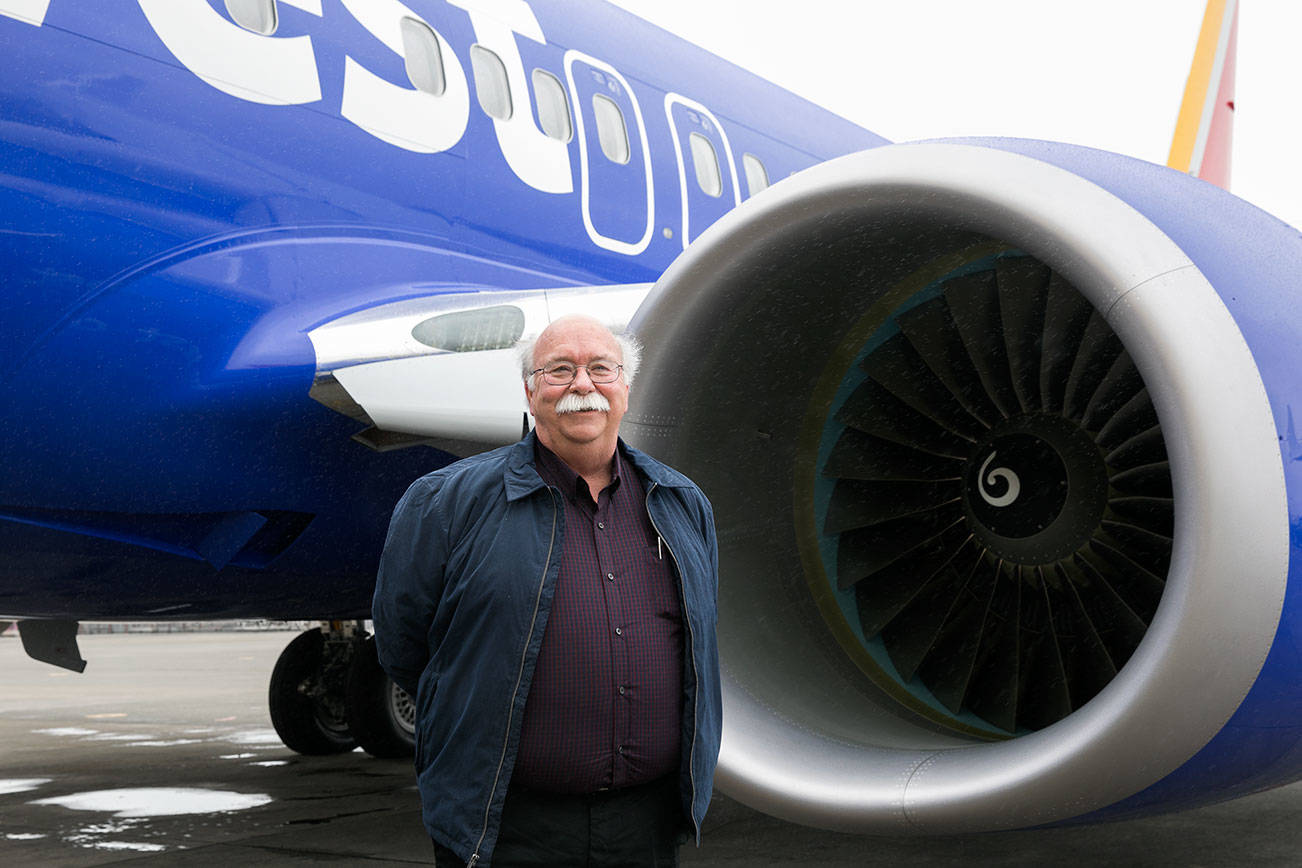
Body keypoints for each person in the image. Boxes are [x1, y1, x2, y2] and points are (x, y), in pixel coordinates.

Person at [372, 314, 721, 867]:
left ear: (626, 389)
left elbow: (697, 643)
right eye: (560, 370)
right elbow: (404, 645)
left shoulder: (681, 504)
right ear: (531, 391)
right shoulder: (444, 503)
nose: (583, 385)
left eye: (601, 368)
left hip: (645, 829)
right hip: (507, 829)